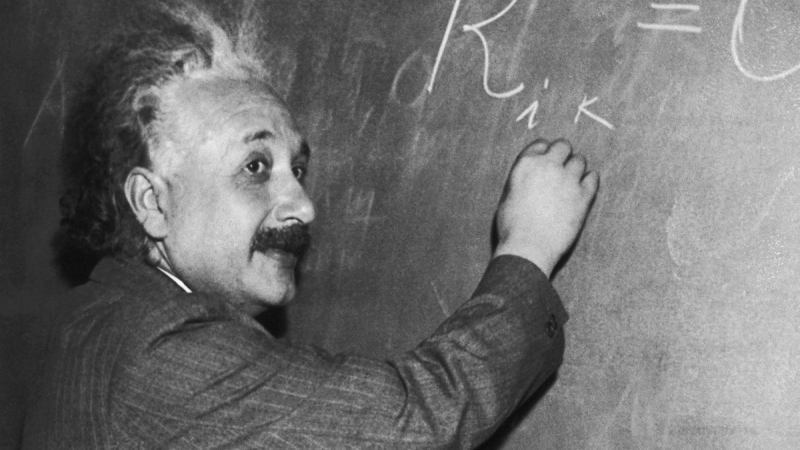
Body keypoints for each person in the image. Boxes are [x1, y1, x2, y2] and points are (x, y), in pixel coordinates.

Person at [23, 2, 598, 448]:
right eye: (255, 167)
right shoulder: (161, 354)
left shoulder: (92, 324)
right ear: (152, 201)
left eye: (296, 169)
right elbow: (418, 422)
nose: (302, 204)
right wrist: (529, 246)